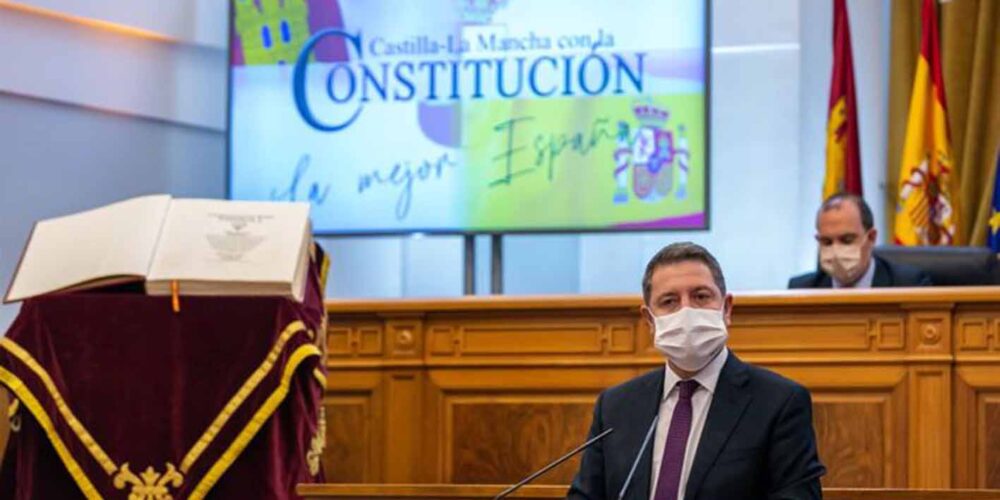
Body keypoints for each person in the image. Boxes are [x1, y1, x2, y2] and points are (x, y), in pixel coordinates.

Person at [568, 242, 825, 500]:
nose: (686, 311)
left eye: (701, 297)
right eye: (669, 301)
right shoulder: (615, 406)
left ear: (726, 309)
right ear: (649, 320)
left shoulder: (779, 402)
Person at [789, 193, 932, 288]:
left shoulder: (910, 285)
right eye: (826, 242)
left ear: (871, 238)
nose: (836, 251)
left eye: (847, 240)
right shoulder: (800, 290)